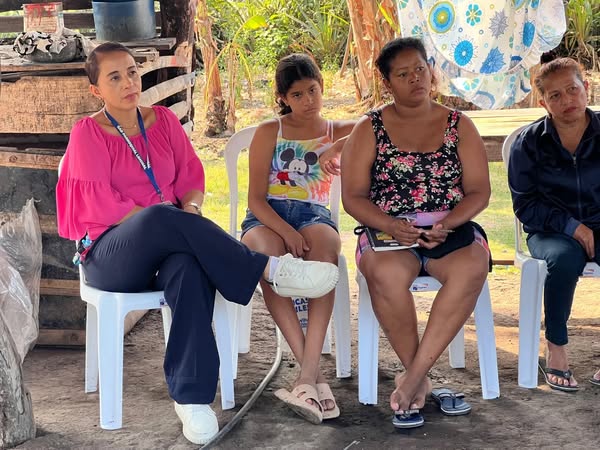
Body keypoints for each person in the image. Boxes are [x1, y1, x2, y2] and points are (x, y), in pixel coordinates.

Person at [55, 42, 340, 445]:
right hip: (111, 254)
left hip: (171, 245)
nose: (128, 82)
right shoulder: (88, 133)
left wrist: (189, 208)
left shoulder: (164, 121)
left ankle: (192, 400)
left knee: (189, 269)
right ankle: (267, 267)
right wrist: (171, 217)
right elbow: (100, 204)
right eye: (114, 77)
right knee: (158, 215)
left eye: (132, 72)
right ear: (96, 90)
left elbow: (190, 176)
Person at [341, 37, 491, 427]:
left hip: (450, 228)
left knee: (473, 265)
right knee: (384, 273)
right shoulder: (369, 128)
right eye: (403, 74)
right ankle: (420, 380)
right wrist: (390, 224)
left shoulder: (459, 124)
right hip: (389, 230)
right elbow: (353, 196)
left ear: (431, 70)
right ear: (387, 83)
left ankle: (411, 381)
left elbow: (479, 190)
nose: (415, 79)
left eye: (420, 69)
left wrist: (447, 224)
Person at [240, 53, 355, 424]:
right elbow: (256, 200)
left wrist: (340, 145)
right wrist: (285, 231)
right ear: (283, 98)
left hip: (313, 215)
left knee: (327, 257)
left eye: (313, 90)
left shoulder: (335, 129)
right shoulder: (269, 132)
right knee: (268, 260)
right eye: (297, 95)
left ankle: (305, 378)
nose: (308, 100)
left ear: (322, 86)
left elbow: (383, 122)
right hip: (267, 216)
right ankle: (314, 378)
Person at [508, 53, 600, 392]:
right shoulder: (529, 143)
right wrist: (573, 226)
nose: (567, 100)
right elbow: (525, 204)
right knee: (563, 259)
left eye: (572, 89)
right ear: (543, 102)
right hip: (550, 230)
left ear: (586, 88)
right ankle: (556, 347)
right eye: (555, 95)